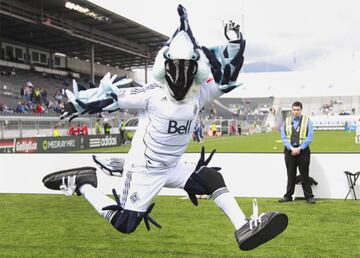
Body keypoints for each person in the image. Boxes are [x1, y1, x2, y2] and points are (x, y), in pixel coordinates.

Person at [43, 6, 287, 251]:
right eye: (175, 66)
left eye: (187, 66)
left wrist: (235, 42)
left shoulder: (198, 93)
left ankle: (243, 226)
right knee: (124, 224)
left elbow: (226, 80)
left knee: (211, 177)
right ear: (165, 66)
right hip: (144, 169)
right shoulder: (150, 94)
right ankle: (83, 184)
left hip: (172, 166)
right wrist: (77, 103)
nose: (180, 74)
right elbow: (112, 97)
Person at [279, 101, 315, 204]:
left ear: (301, 110)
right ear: (292, 110)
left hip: (303, 151)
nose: (296, 112)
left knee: (304, 174)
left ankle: (309, 196)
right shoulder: (286, 121)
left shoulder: (307, 121)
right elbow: (283, 137)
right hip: (290, 151)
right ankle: (288, 196)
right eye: (294, 110)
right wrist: (291, 148)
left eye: (298, 110)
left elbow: (310, 137)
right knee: (290, 175)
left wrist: (300, 148)